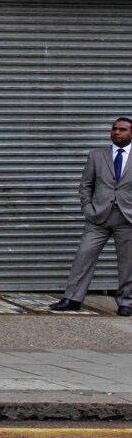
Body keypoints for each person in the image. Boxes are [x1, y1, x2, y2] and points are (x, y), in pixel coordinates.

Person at [50, 116, 132, 315]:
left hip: (127, 219)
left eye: (122, 129)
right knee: (83, 256)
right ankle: (72, 298)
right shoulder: (97, 155)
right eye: (114, 129)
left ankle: (126, 302)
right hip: (98, 218)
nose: (117, 133)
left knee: (128, 263)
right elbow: (86, 184)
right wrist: (87, 208)